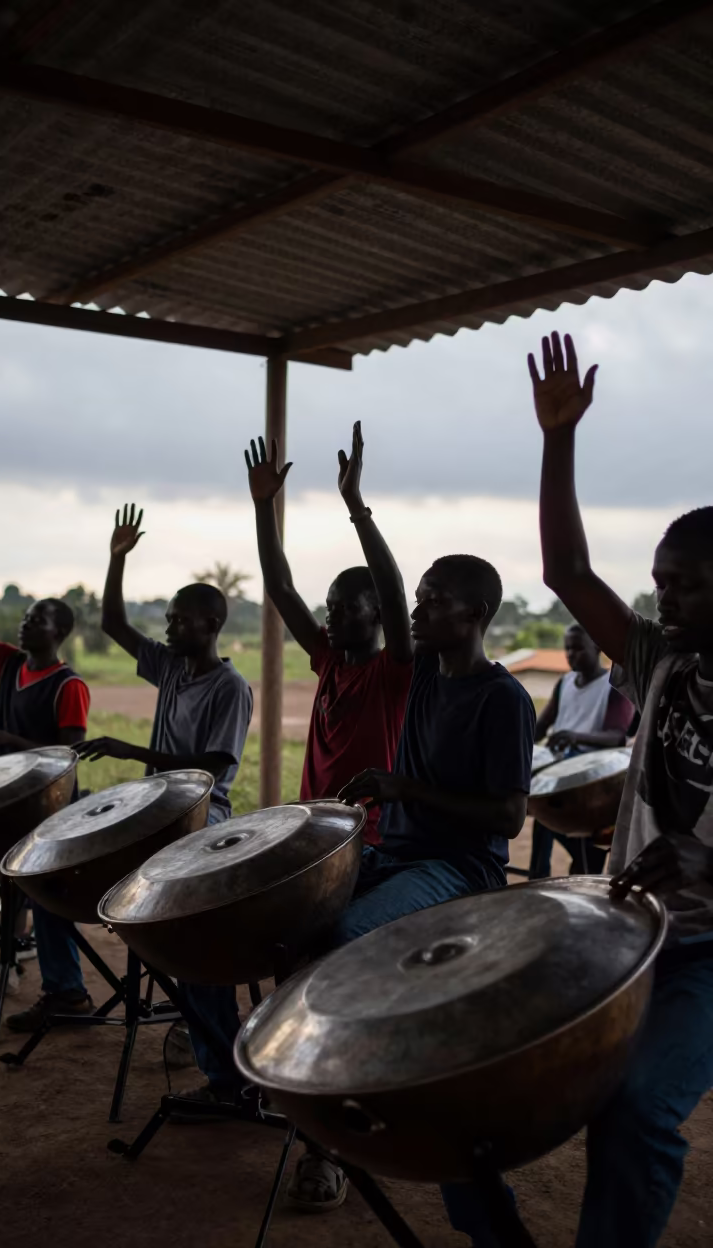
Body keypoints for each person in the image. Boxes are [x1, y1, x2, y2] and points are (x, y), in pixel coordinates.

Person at [453, 329, 713, 1248]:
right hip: (635, 927)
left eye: (683, 585)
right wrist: (558, 438)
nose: (662, 600)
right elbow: (567, 572)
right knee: (488, 1065)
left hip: (707, 952)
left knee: (638, 1108)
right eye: (657, 583)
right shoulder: (662, 660)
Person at [284, 433, 536, 1212]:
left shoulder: (502, 700)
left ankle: (331, 1139)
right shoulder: (425, 667)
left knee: (338, 943)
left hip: (458, 868)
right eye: (419, 599)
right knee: (289, 923)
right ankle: (320, 1089)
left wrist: (404, 788)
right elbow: (390, 591)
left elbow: (505, 813)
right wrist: (356, 509)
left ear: (477, 615)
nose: (417, 609)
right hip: (397, 853)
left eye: (436, 601)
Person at [85, 505, 253, 1110]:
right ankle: (188, 1011)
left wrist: (130, 750)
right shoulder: (172, 668)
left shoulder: (229, 688)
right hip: (160, 810)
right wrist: (117, 558)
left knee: (191, 939)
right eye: (168, 617)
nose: (167, 627)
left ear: (210, 624)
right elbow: (111, 622)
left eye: (179, 620)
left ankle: (219, 1057)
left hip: (202, 817)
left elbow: (211, 769)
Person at [0, 522, 94, 1028]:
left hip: (46, 807)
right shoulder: (10, 665)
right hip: (6, 800)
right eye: (26, 618)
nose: (25, 626)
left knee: (38, 892)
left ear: (59, 632)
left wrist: (14, 746)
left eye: (37, 620)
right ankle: (19, 960)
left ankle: (55, 982)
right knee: (7, 881)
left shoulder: (68, 684)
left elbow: (69, 755)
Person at [245, 422, 412, 846]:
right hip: (313, 830)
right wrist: (264, 506)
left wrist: (355, 504)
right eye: (328, 607)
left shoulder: (393, 672)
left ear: (375, 615)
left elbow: (394, 593)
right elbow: (280, 588)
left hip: (365, 841)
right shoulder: (329, 659)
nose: (330, 617)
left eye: (344, 609)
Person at [529, 621, 635, 878]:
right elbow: (541, 726)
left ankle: (583, 881)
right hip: (559, 770)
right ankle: (537, 876)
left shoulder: (612, 685)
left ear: (597, 647)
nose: (570, 655)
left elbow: (616, 737)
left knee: (586, 854)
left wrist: (574, 736)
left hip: (593, 778)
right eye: (567, 649)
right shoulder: (565, 682)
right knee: (542, 808)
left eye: (577, 648)